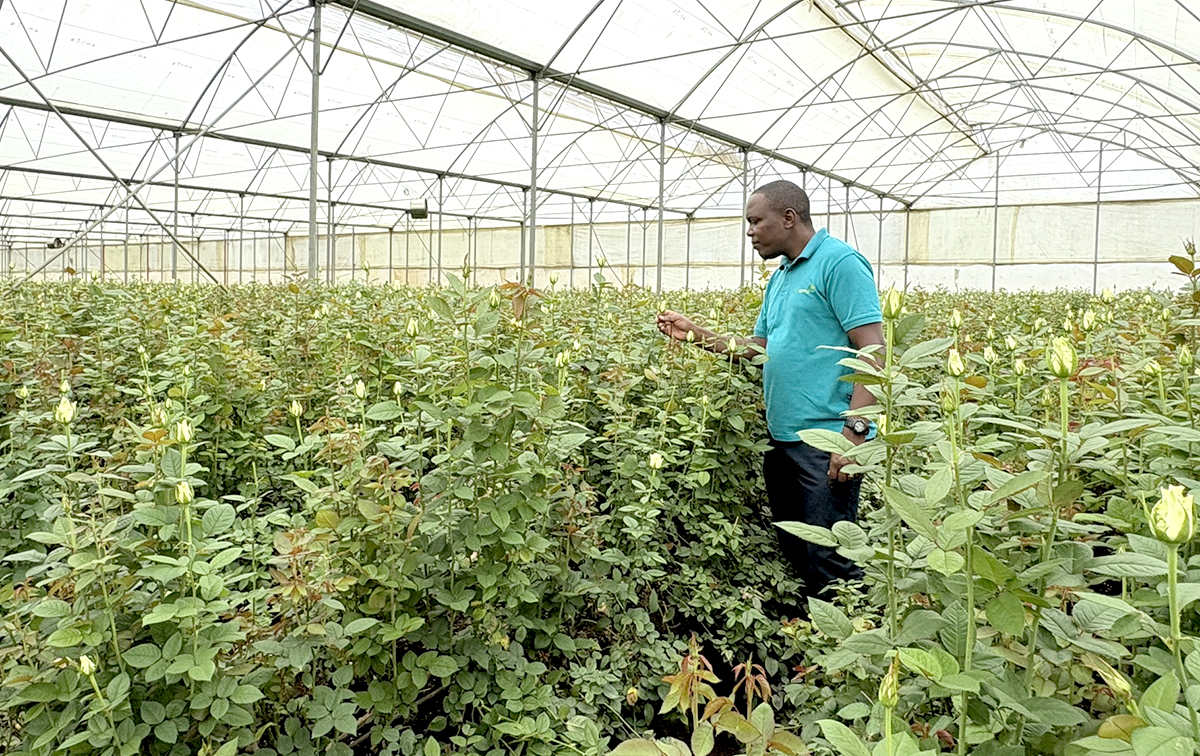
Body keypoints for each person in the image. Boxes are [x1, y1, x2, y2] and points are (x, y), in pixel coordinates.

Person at [656, 179, 883, 604]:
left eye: (756, 221)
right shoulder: (781, 276)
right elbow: (760, 348)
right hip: (782, 440)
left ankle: (848, 638)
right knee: (797, 548)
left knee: (831, 558)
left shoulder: (840, 263)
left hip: (826, 440)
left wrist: (854, 434)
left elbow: (872, 351)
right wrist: (695, 334)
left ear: (788, 218)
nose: (750, 232)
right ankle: (809, 631)